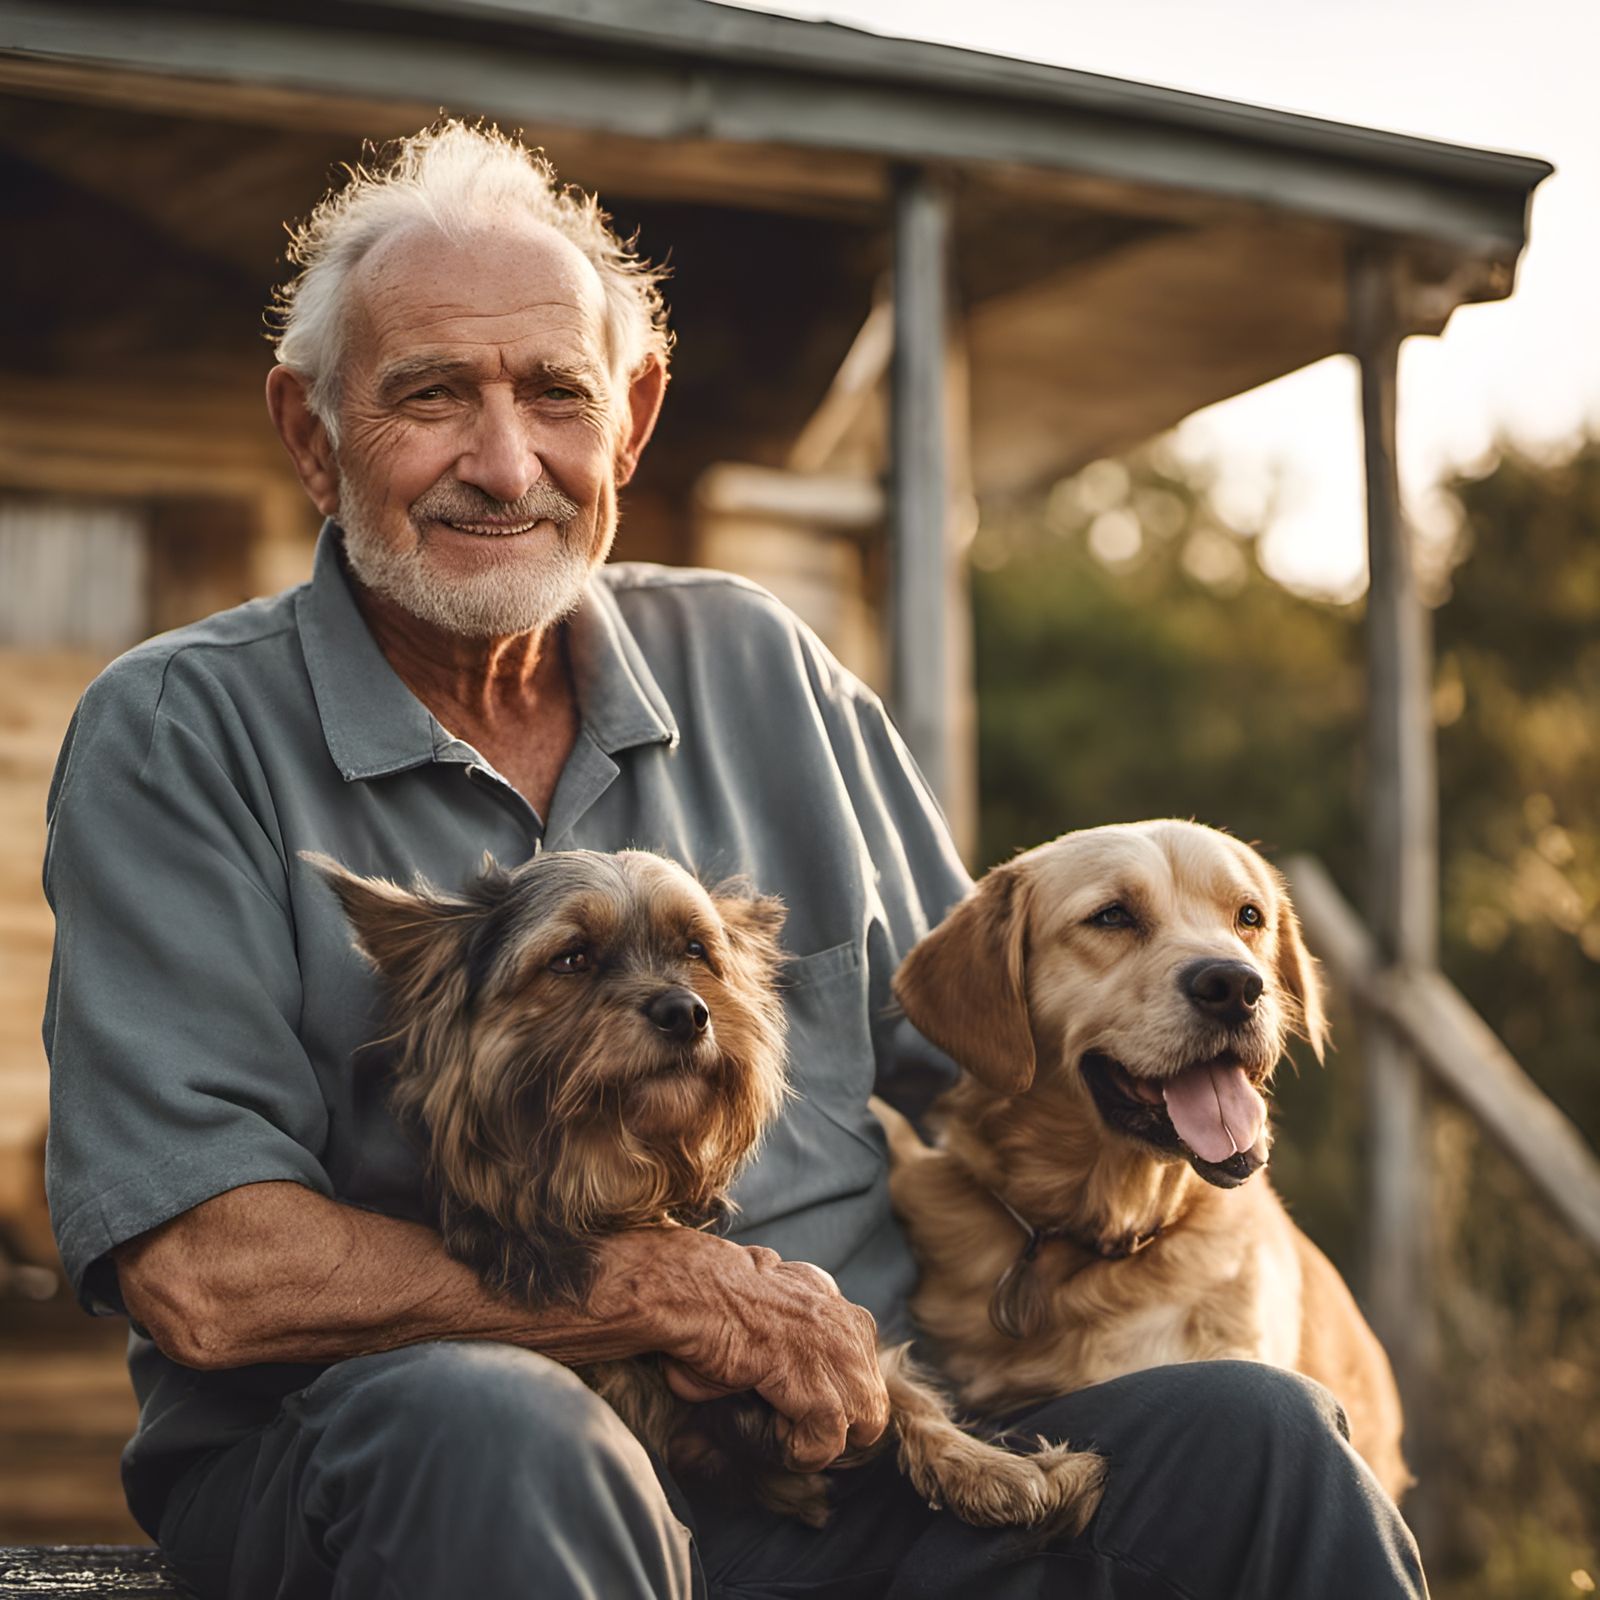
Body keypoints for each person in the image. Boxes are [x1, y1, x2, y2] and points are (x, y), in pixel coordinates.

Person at [43, 122, 1426, 1599]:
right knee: (496, 1421)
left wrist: (1212, 1218)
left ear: (631, 421)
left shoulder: (766, 667)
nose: (504, 464)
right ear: (313, 436)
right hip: (423, 1468)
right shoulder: (181, 733)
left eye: (557, 397)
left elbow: (990, 1049)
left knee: (1259, 1440)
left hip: (852, 1454)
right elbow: (208, 1274)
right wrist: (651, 1296)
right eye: (431, 397)